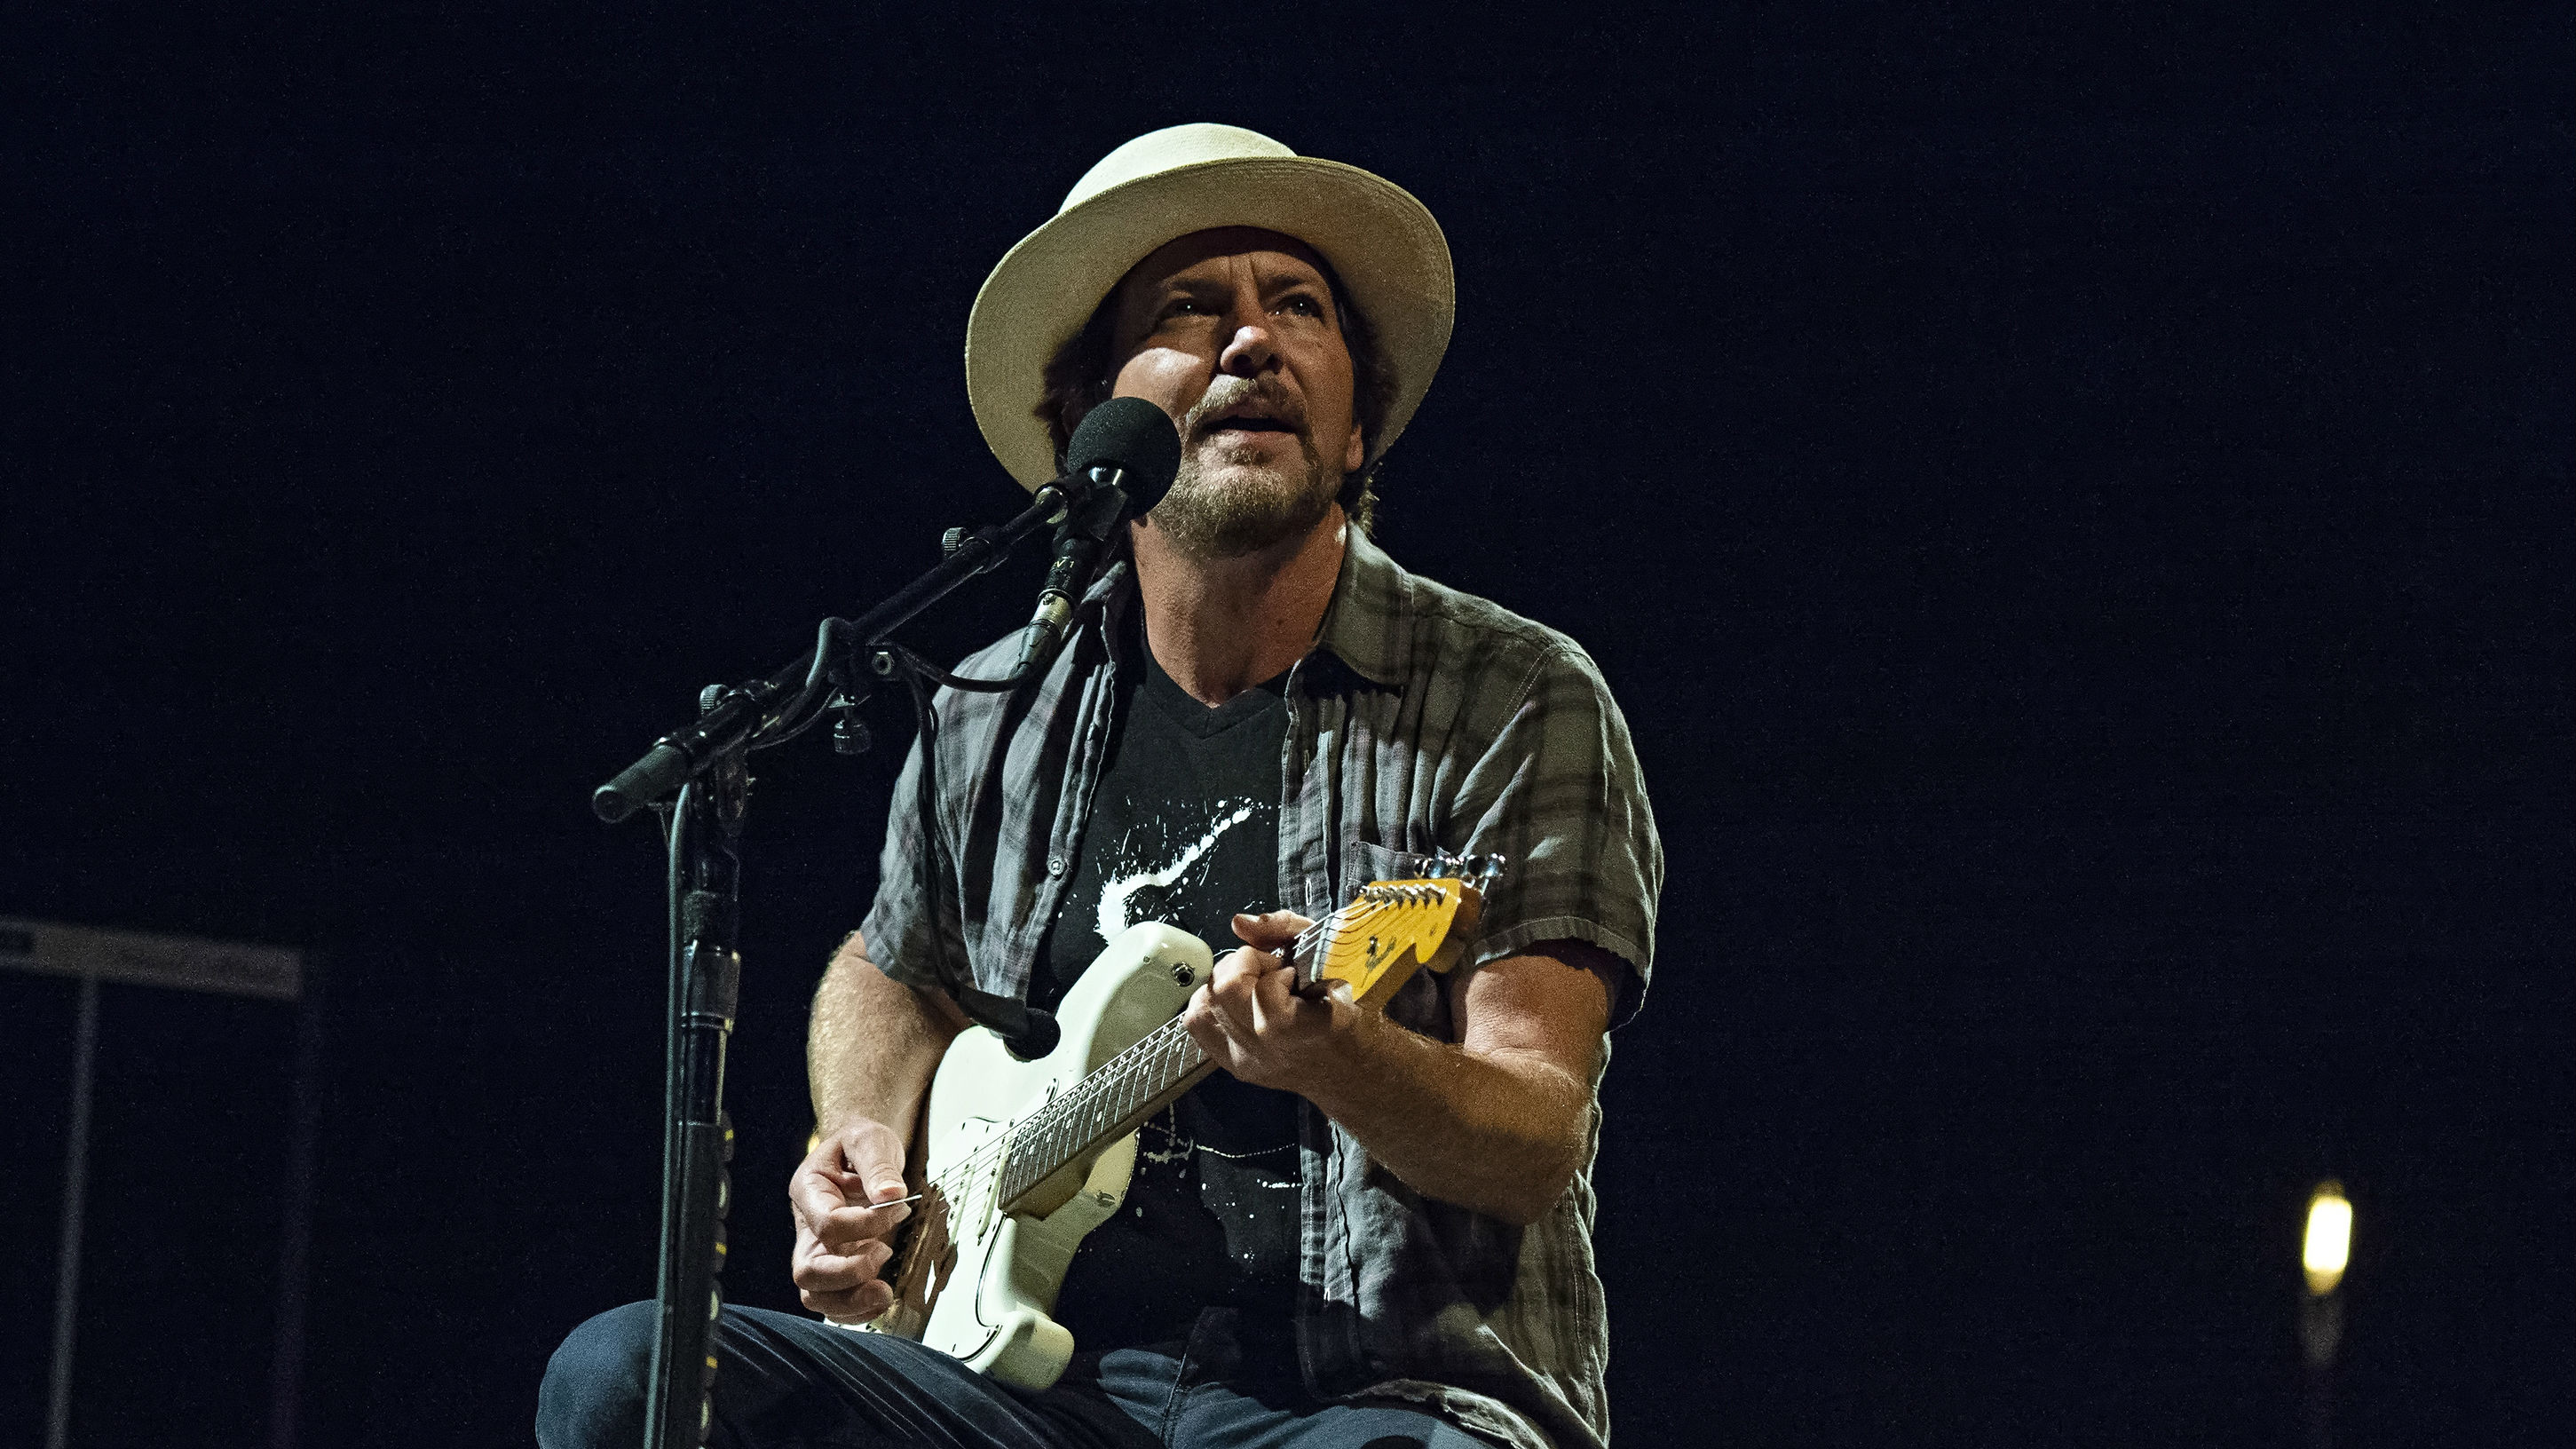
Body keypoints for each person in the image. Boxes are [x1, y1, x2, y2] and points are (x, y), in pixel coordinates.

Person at [541, 123, 1661, 1449]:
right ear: (1092, 429)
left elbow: (1533, 1134)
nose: (1253, 342)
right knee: (627, 1377)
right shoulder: (993, 705)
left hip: (1362, 1398)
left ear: (1357, 427)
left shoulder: (1515, 693)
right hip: (1026, 1395)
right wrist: (857, 1144)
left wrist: (1342, 1056)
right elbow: (890, 965)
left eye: (1297, 309)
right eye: (1193, 307)